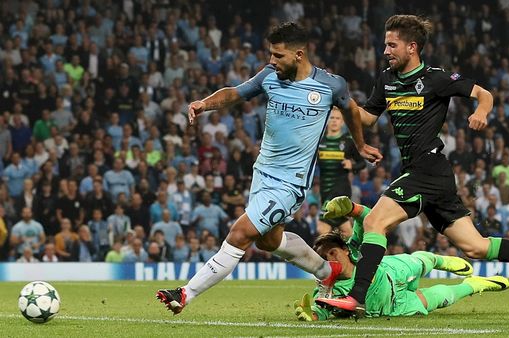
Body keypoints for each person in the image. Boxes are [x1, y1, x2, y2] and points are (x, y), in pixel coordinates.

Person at [317, 15, 509, 316]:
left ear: (412, 47)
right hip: (427, 175)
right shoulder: (386, 80)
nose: (385, 51)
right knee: (476, 248)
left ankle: (357, 297)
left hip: (427, 170)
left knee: (376, 223)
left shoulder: (435, 79)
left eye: (392, 45)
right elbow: (365, 118)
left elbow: (485, 94)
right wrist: (342, 101)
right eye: (385, 45)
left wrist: (481, 112)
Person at [156, 22, 382, 314]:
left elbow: (351, 110)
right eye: (271, 54)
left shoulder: (330, 85)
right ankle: (328, 272)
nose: (272, 61)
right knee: (269, 241)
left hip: (291, 183)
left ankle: (185, 293)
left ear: (299, 55)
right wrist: (204, 104)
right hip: (262, 173)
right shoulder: (269, 76)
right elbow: (235, 93)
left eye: (278, 55)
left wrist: (361, 145)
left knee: (241, 233)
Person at [294, 214, 509, 321]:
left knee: (422, 261)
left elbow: (369, 219)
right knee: (441, 297)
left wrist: (353, 209)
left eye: (333, 252)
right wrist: (310, 314)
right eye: (324, 257)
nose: (330, 258)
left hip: (393, 270)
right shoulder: (326, 286)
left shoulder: (357, 250)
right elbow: (322, 308)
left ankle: (441, 260)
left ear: (345, 250)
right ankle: (473, 285)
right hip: (395, 306)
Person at [317, 107, 365, 236]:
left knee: (322, 228)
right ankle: (351, 252)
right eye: (332, 118)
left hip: (341, 190)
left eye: (338, 118)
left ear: (342, 122)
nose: (334, 121)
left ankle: (323, 256)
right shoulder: (319, 141)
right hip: (324, 190)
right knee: (346, 231)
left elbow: (362, 163)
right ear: (327, 120)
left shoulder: (348, 141)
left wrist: (352, 165)